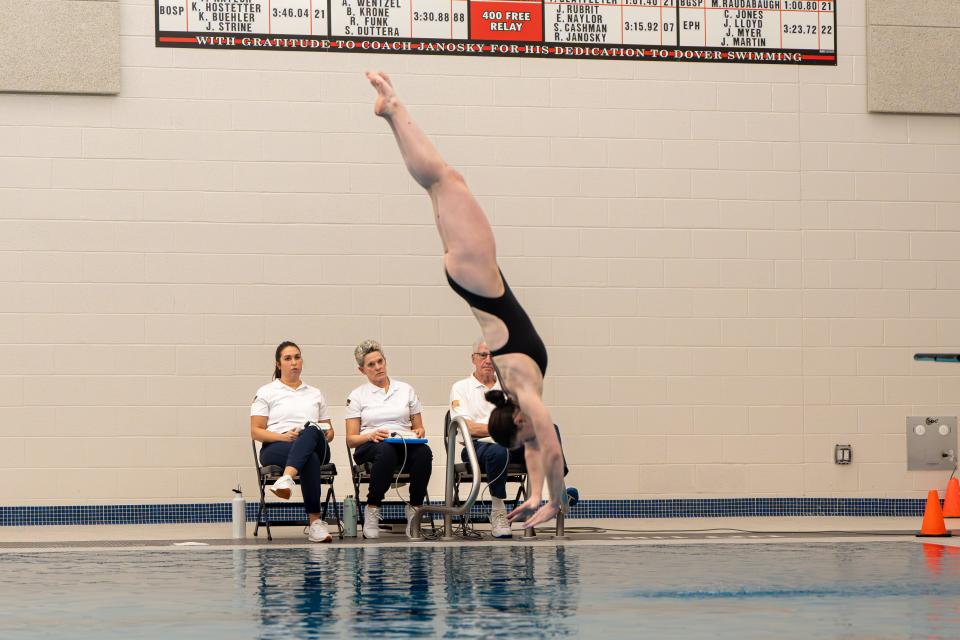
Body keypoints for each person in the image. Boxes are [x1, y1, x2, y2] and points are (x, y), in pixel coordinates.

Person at [368, 71, 565, 528]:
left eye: (522, 436)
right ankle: (392, 113)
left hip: (478, 278)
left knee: (443, 180)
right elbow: (540, 448)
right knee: (440, 183)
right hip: (473, 281)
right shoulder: (520, 397)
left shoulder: (525, 394)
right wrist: (536, 496)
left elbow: (546, 445)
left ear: (516, 420)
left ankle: (394, 110)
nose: (531, 436)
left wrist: (552, 500)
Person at [345, 339, 433, 539]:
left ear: (385, 361)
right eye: (371, 364)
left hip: (403, 442)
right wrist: (370, 435)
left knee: (424, 453)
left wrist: (419, 431)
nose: (377, 367)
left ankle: (415, 510)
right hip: (371, 444)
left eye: (380, 361)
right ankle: (372, 507)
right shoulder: (357, 395)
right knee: (386, 450)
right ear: (362, 370)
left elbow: (419, 427)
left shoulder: (405, 390)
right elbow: (351, 440)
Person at [250, 341, 335, 543]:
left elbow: (329, 431)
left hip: (316, 443)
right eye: (287, 358)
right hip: (277, 446)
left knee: (311, 431)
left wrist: (324, 434)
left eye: (297, 357)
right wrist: (283, 436)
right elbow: (256, 431)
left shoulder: (315, 393)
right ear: (279, 364)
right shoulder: (266, 392)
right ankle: (315, 523)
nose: (293, 362)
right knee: (309, 458)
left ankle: (286, 477)